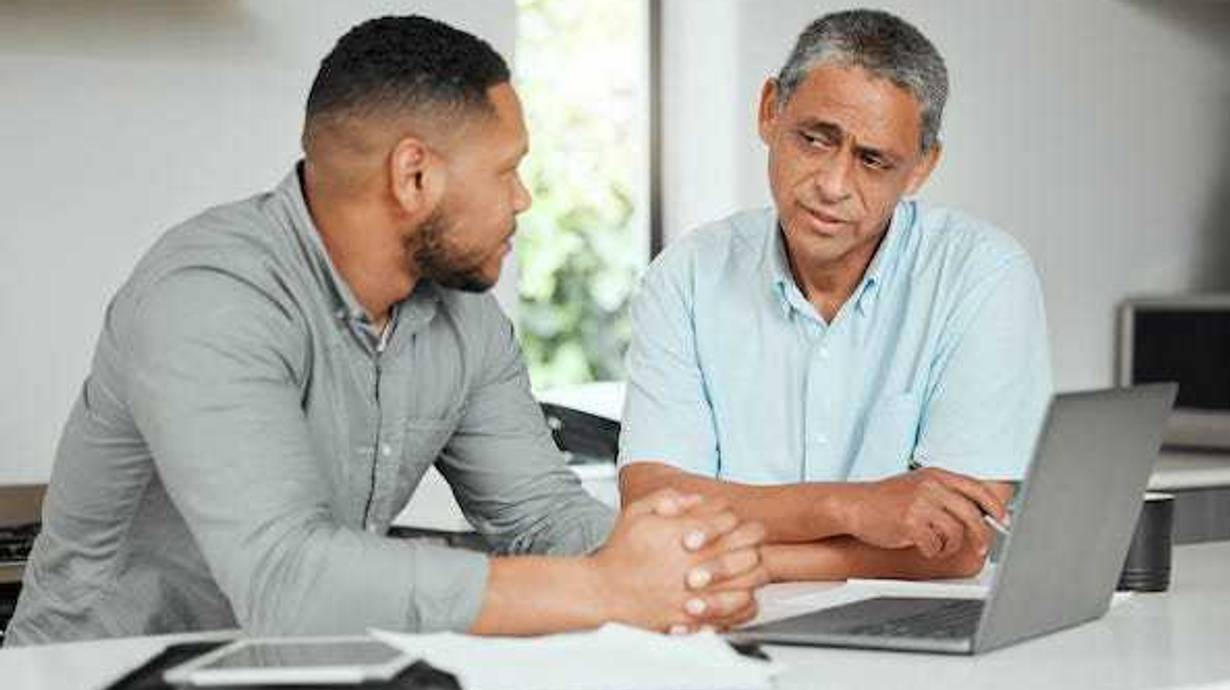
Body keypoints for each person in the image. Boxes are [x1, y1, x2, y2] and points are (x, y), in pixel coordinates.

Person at [4, 15, 766, 646]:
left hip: (306, 672)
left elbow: (538, 516)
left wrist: (685, 569)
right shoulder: (207, 296)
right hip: (96, 676)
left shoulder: (464, 316)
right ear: (414, 177)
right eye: (506, 170)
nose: (525, 199)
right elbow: (287, 579)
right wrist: (604, 586)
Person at [619, 9, 1052, 583]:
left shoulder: (984, 276)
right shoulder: (685, 277)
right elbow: (653, 505)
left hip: (888, 631)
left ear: (922, 167)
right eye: (815, 139)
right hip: (721, 622)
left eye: (873, 160)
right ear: (770, 110)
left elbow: (956, 544)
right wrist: (854, 506)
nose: (832, 184)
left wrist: (757, 558)